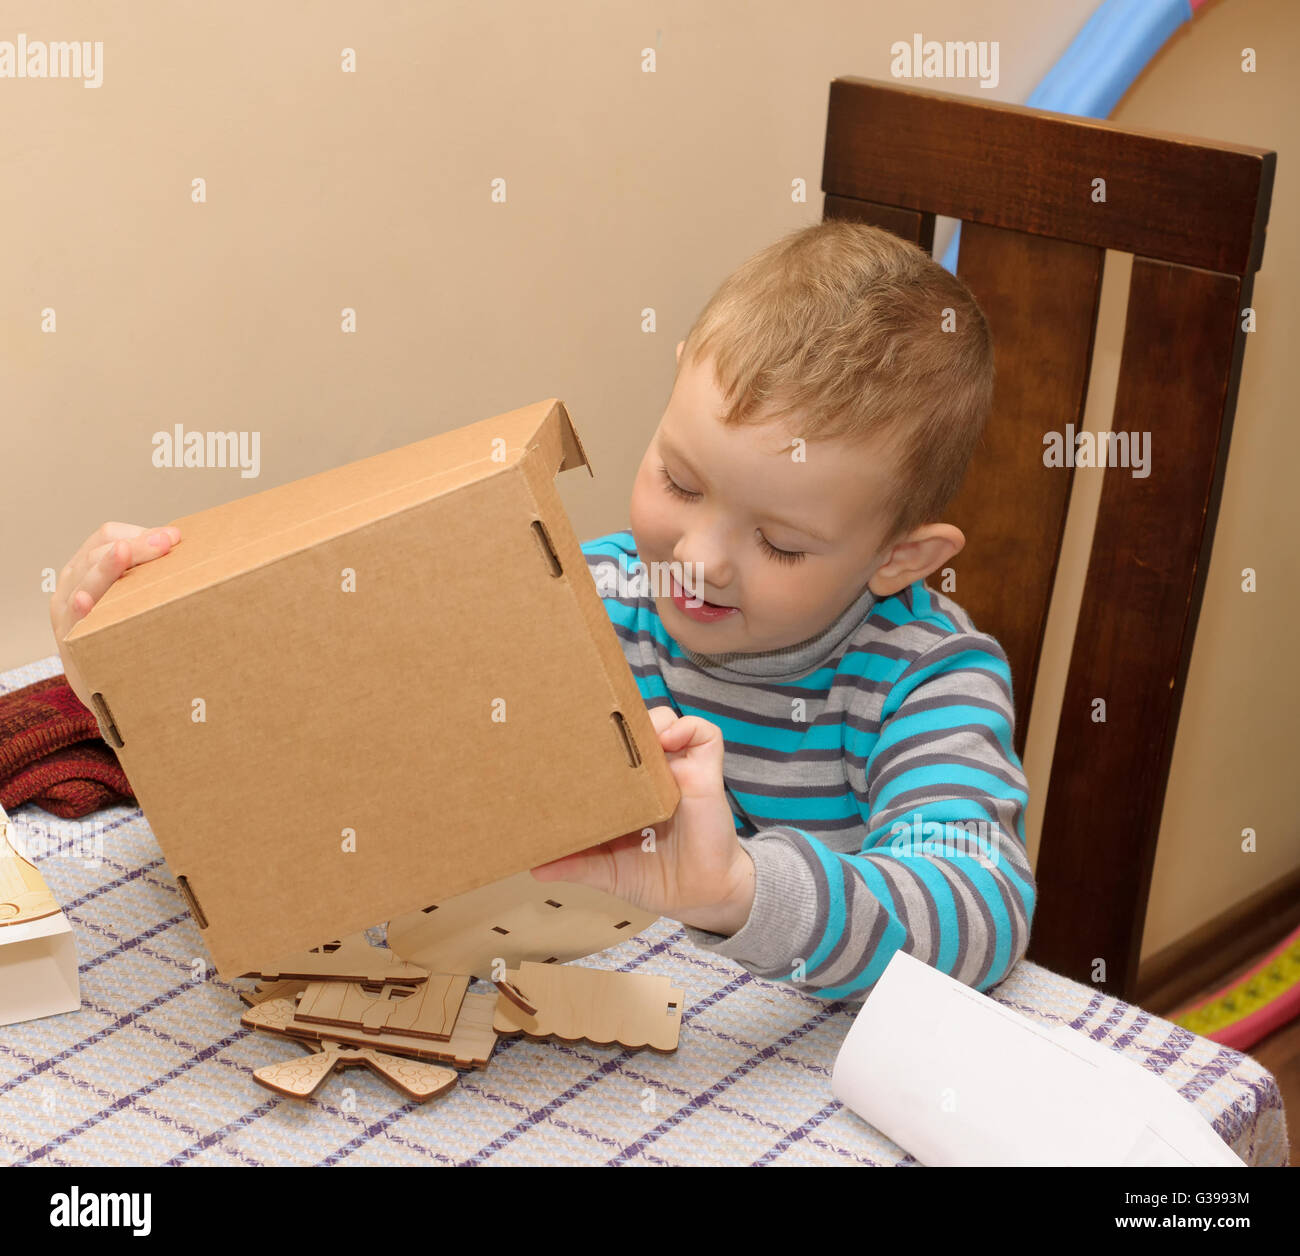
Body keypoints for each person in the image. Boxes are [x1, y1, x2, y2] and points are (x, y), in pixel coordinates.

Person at [50, 219, 1034, 1003]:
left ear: (899, 557)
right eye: (680, 483)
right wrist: (132, 670)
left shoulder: (925, 678)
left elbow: (982, 906)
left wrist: (736, 890)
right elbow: (337, 735)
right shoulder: (582, 590)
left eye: (779, 543)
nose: (695, 560)